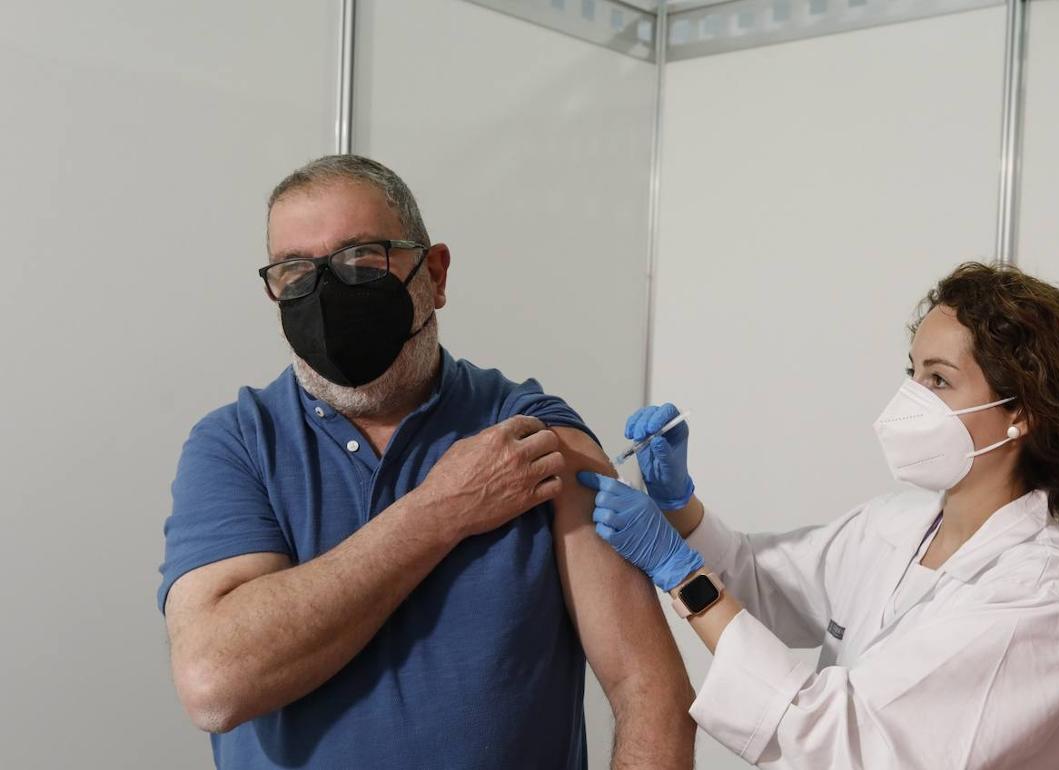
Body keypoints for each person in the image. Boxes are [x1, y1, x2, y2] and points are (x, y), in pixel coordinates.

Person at [157, 155, 695, 769]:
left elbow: (650, 689)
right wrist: (442, 509)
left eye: (363, 259)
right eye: (296, 273)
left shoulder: (535, 437)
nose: (329, 295)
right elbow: (213, 682)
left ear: (433, 274)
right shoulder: (238, 445)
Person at [580, 262, 1059, 769]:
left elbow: (845, 737)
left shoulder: (1044, 592)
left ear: (1021, 412)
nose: (909, 400)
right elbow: (761, 583)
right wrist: (680, 507)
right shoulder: (893, 525)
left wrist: (683, 575)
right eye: (912, 373)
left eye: (938, 380)